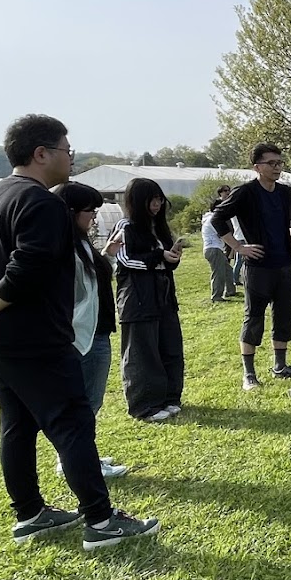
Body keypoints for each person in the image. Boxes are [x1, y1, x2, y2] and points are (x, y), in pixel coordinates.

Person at [0, 113, 159, 549]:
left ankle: (31, 514)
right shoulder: (42, 203)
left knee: (17, 424)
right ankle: (101, 521)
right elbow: (28, 268)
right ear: (41, 153)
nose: (71, 158)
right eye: (66, 150)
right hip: (34, 337)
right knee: (72, 421)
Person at [211, 142, 291, 391]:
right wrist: (238, 247)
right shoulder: (245, 192)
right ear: (257, 167)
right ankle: (249, 374)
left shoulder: (285, 192)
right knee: (253, 317)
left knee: (284, 315)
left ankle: (280, 366)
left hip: (285, 265)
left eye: (279, 163)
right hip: (258, 267)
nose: (277, 168)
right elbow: (217, 218)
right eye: (271, 163)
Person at [53, 182, 127, 478]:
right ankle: (74, 461)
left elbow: (92, 280)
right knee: (84, 403)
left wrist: (107, 254)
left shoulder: (80, 242)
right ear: (71, 212)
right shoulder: (63, 247)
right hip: (84, 335)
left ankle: (82, 455)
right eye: (89, 211)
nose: (94, 217)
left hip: (96, 331)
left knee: (87, 403)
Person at [110, 177, 185, 423]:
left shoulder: (159, 227)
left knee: (170, 348)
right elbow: (124, 260)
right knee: (143, 353)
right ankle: (145, 405)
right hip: (138, 298)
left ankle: (169, 397)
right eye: (151, 200)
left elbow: (164, 261)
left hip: (164, 296)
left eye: (159, 200)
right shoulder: (126, 226)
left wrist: (171, 257)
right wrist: (159, 256)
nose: (156, 205)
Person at [201, 189, 237, 304]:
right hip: (214, 248)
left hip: (215, 248)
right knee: (218, 273)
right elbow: (222, 234)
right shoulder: (213, 219)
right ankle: (216, 296)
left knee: (227, 270)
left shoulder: (209, 218)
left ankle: (231, 291)